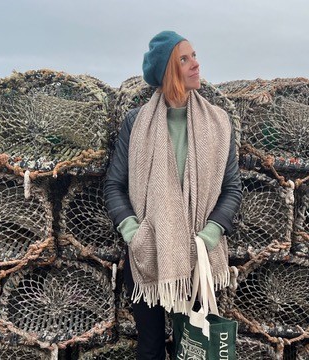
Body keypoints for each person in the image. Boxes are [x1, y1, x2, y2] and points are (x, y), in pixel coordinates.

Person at [104, 30, 242, 360]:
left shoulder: (218, 123)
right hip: (147, 260)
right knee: (150, 349)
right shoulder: (136, 123)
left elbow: (232, 189)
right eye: (185, 59)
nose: (196, 64)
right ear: (168, 70)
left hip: (197, 258)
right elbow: (114, 186)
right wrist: (135, 234)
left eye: (194, 56)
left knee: (192, 349)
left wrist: (209, 236)